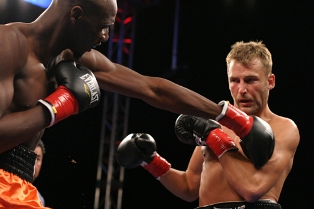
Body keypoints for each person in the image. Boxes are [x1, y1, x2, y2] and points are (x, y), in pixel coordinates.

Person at [0, 0, 274, 207]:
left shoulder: (72, 58)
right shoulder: (9, 44)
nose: (106, 37)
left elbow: (152, 88)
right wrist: (55, 108)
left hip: (19, 187)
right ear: (76, 15)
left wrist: (228, 116)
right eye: (104, 26)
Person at [116, 41, 300, 208]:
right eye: (235, 80)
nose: (242, 89)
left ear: (270, 81)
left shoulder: (283, 128)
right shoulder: (215, 126)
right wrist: (151, 161)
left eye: (251, 80)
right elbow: (189, 187)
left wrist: (215, 138)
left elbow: (253, 189)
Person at [34, 139, 46, 207]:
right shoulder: (5, 186)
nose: (34, 162)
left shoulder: (40, 200)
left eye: (37, 159)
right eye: (31, 157)